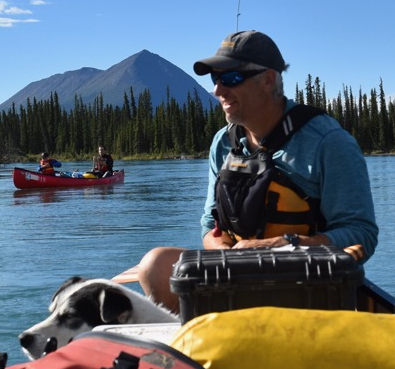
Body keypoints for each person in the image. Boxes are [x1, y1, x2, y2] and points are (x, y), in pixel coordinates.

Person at [117, 30, 379, 313]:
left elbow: (361, 234)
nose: (218, 90)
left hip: (307, 282)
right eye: (215, 79)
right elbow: (210, 222)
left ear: (268, 80)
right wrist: (227, 257)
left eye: (231, 78)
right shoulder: (222, 143)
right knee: (155, 265)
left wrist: (284, 245)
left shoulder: (328, 142)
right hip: (236, 277)